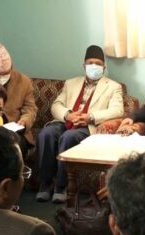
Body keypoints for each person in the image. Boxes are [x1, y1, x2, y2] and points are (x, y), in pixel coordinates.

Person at [36, 45, 124, 203]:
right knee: (46, 134)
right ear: (84, 66)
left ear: (104, 67)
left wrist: (91, 117)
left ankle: (61, 186)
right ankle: (45, 183)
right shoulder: (71, 83)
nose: (94, 66)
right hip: (66, 121)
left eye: (98, 63)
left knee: (68, 137)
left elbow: (117, 110)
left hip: (87, 126)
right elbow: (56, 105)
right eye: (90, 63)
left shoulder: (113, 87)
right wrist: (68, 115)